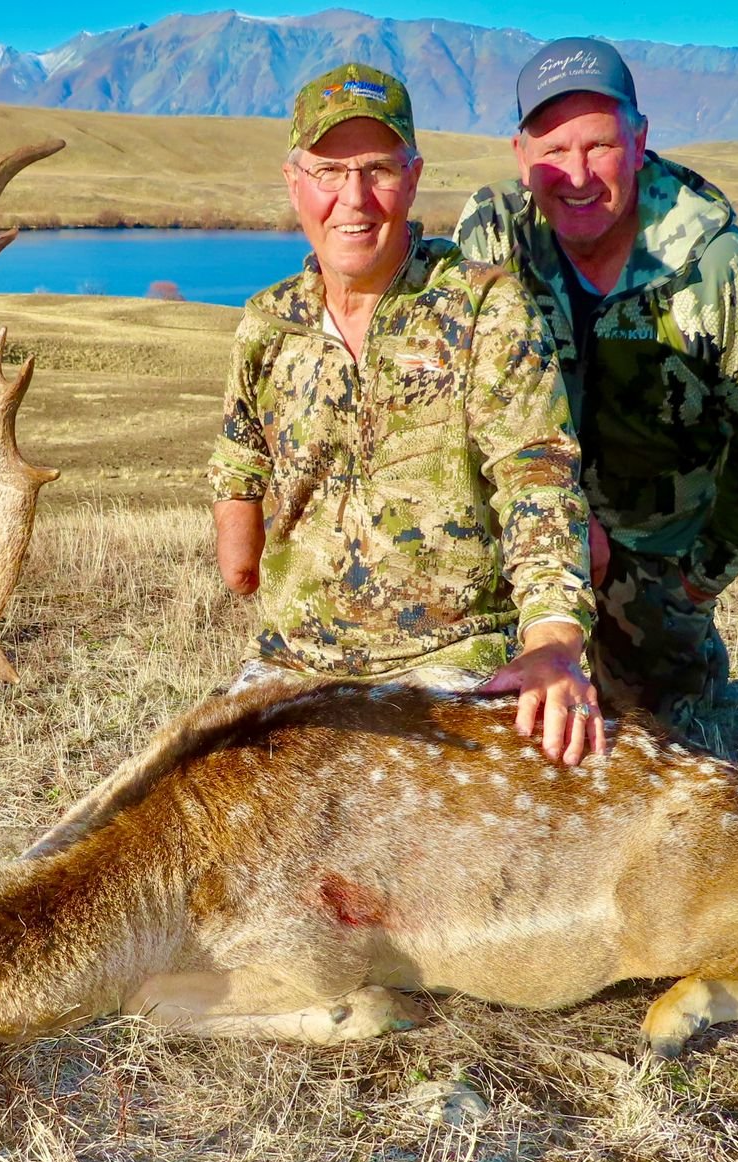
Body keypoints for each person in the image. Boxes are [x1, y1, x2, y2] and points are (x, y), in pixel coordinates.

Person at [209, 62, 604, 765]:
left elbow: (536, 476)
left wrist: (551, 637)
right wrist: (244, 569)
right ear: (294, 181)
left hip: (455, 662)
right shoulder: (266, 326)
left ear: (414, 177)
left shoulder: (485, 306)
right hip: (292, 666)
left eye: (378, 170)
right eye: (328, 172)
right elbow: (237, 469)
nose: (353, 198)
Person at [455, 38, 738, 729]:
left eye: (600, 147)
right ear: (521, 154)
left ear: (639, 141)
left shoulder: (722, 271)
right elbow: (457, 395)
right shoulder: (495, 239)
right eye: (553, 150)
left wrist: (701, 578)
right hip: (530, 519)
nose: (577, 174)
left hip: (656, 547)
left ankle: (684, 649)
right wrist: (556, 522)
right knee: (488, 718)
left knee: (653, 736)